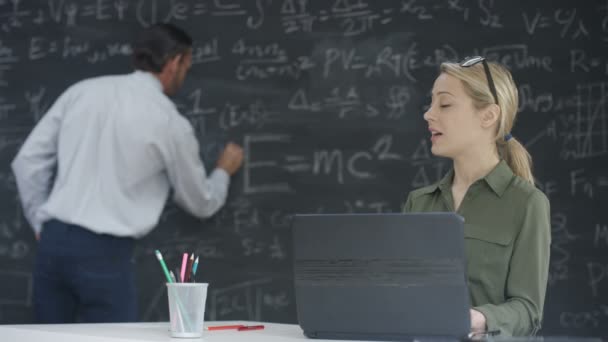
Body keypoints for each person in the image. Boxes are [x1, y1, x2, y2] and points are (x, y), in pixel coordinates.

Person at [11, 23, 244, 323]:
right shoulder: (169, 122)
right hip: (105, 252)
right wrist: (223, 171)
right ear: (174, 63)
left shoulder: (82, 92)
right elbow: (199, 202)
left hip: (54, 241)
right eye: (186, 65)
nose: (185, 74)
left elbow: (27, 160)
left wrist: (39, 221)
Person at [402, 56, 551, 337]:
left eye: (444, 104)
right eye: (431, 103)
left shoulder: (528, 204)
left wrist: (479, 318)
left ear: (488, 115)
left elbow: (528, 311)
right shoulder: (419, 202)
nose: (428, 114)